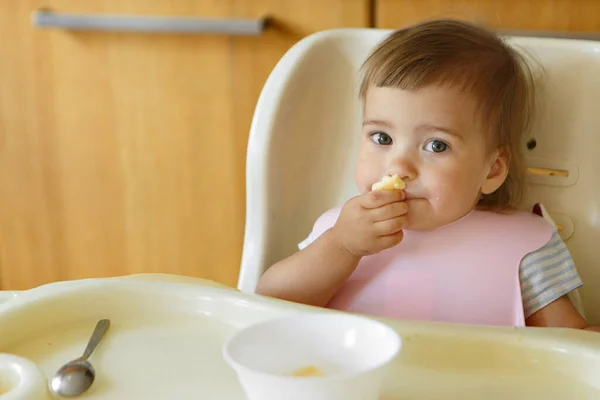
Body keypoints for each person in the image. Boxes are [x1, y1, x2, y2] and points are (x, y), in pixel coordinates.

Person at [256, 19, 599, 331]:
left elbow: (570, 344)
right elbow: (268, 304)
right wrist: (342, 246)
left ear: (492, 170)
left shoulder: (526, 248)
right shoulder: (340, 233)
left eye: (436, 146)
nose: (399, 168)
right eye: (382, 138)